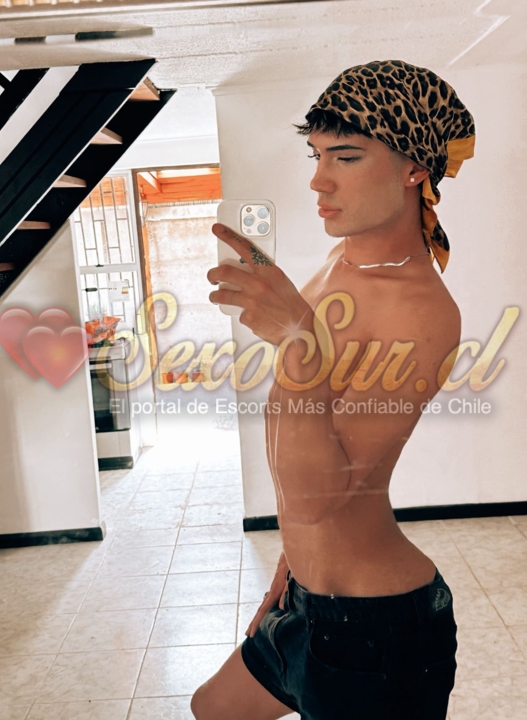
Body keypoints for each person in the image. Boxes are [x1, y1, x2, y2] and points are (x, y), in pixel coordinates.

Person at [191, 59, 475, 720]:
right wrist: (291, 564)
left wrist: (297, 343)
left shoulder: (423, 312)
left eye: (345, 157)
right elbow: (305, 454)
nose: (319, 180)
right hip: (305, 602)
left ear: (414, 167)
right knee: (213, 708)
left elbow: (319, 496)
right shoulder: (335, 265)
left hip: (379, 631)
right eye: (316, 155)